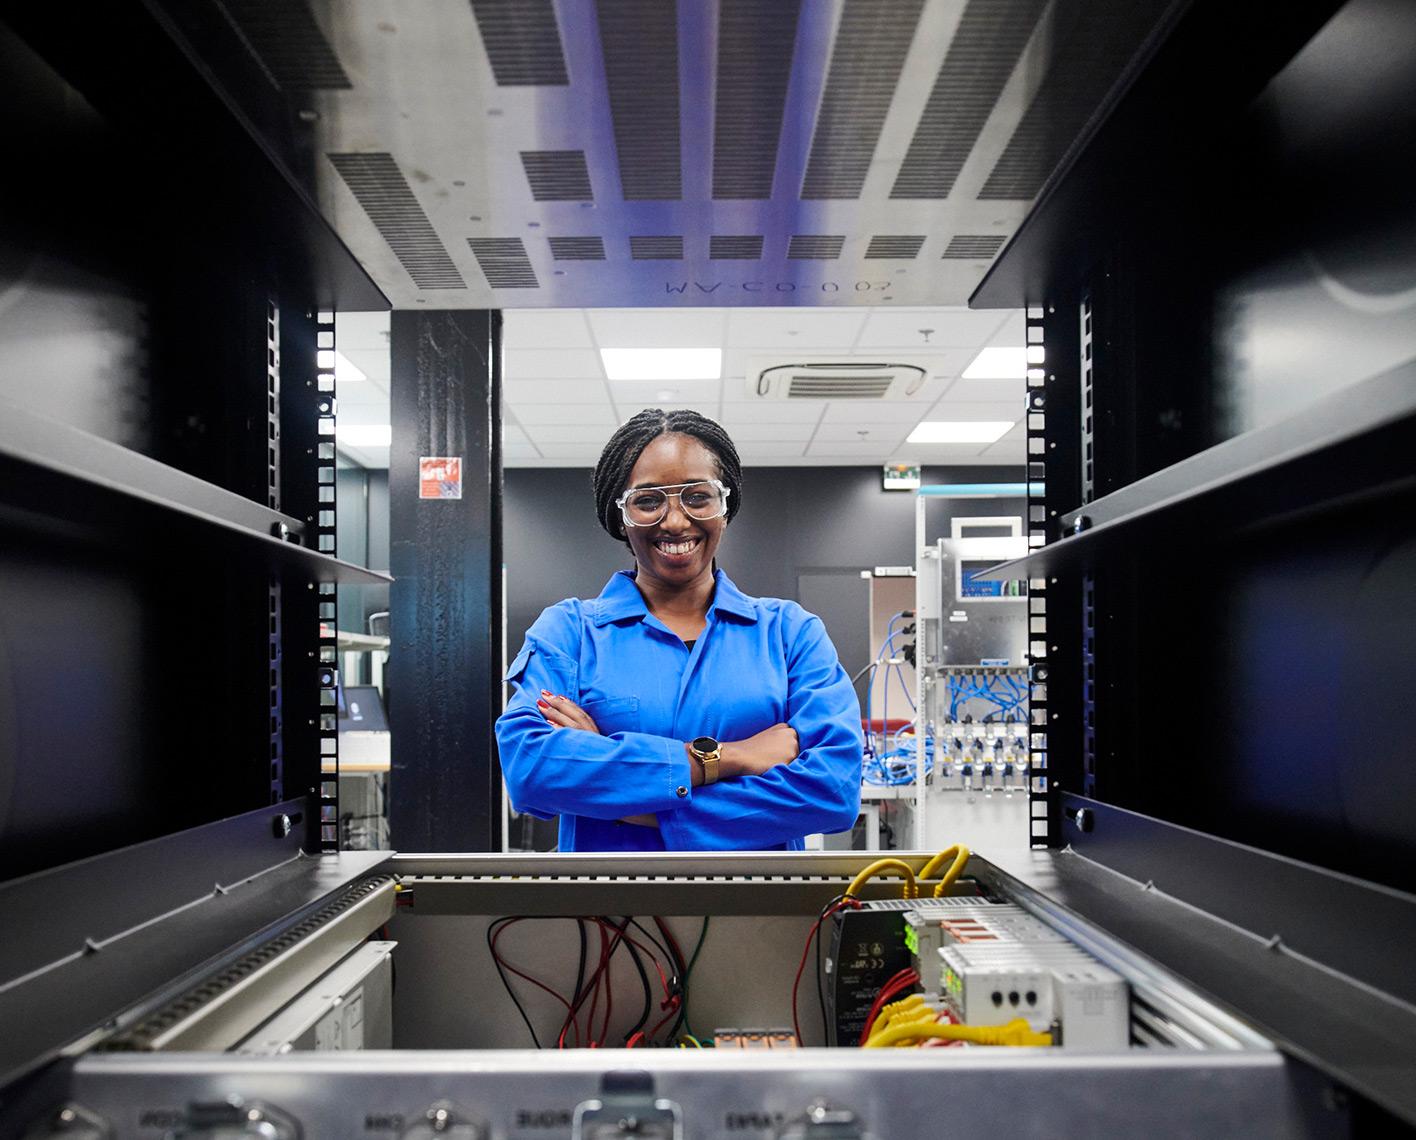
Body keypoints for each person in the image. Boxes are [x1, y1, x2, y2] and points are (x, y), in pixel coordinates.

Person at [496, 408, 864, 851]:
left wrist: (626, 798)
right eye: (648, 501)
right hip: (606, 913)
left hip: (762, 912)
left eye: (698, 496)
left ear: (725, 506)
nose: (674, 520)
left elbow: (833, 793)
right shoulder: (569, 634)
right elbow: (531, 770)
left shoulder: (790, 635)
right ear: (621, 517)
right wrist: (728, 757)